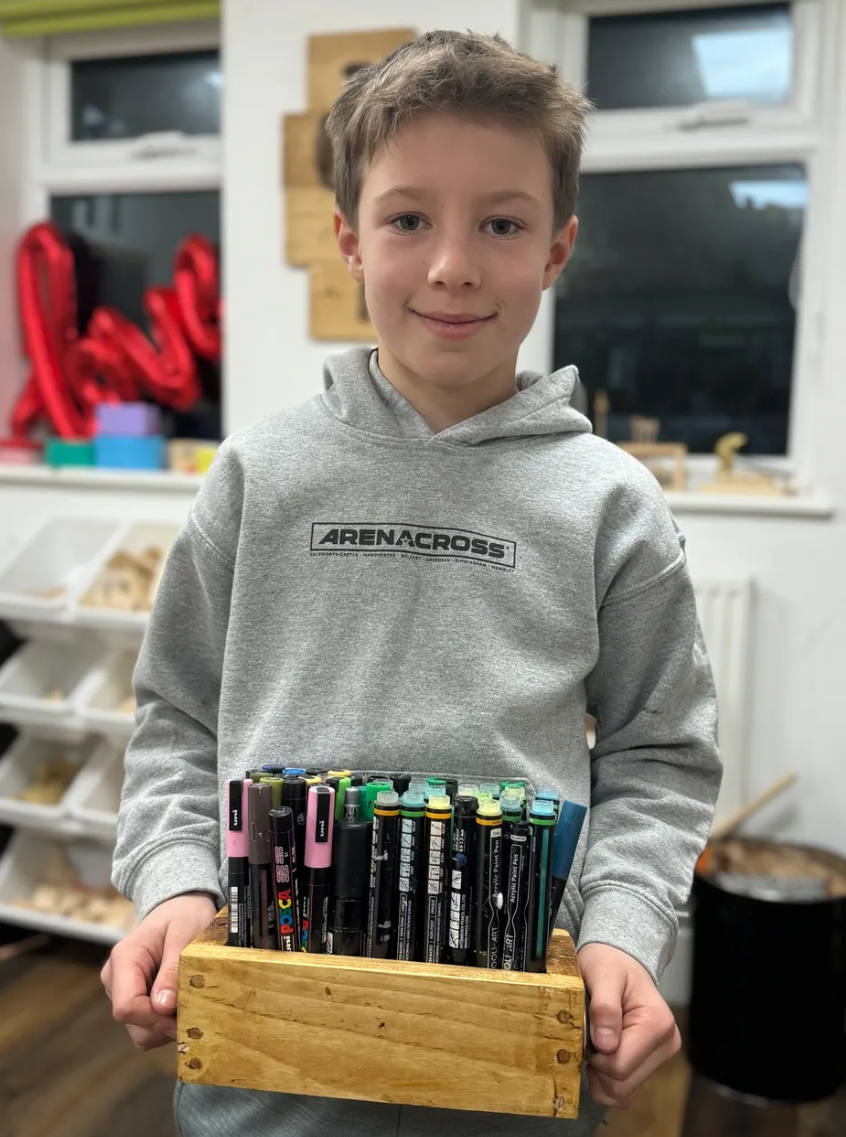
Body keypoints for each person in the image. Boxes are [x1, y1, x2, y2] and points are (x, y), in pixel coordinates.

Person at [101, 28, 721, 1136]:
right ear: (349, 237)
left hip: (513, 1052)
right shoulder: (256, 476)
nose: (453, 265)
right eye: (408, 219)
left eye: (501, 222)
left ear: (557, 247)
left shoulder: (611, 503)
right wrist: (176, 884)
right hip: (263, 1054)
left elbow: (660, 752)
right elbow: (176, 719)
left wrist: (623, 928)